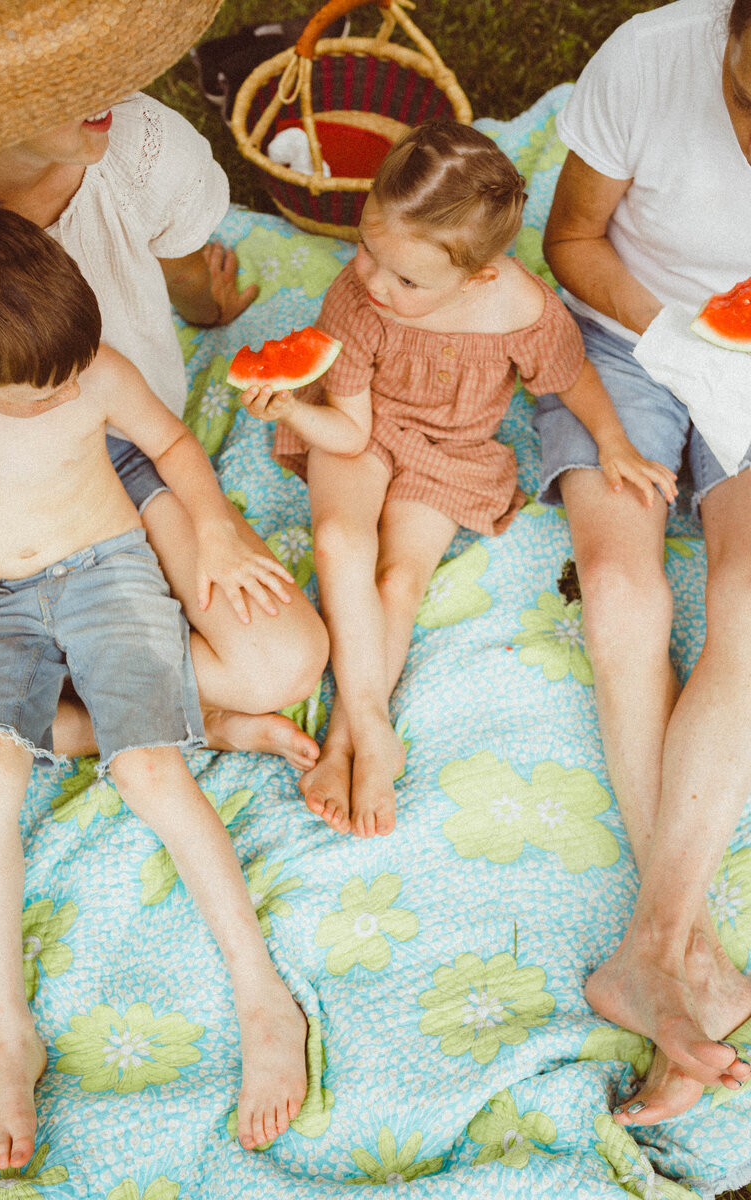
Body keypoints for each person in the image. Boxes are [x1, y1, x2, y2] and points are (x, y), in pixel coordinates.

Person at [0, 202, 309, 1173]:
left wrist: (218, 529)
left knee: (146, 769)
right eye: (35, 392)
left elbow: (174, 449)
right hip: (3, 604)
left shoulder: (93, 373)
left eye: (74, 371)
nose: (65, 394)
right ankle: (9, 1034)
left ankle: (258, 992)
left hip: (108, 573)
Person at [239, 121, 677, 838]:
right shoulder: (357, 304)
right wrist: (290, 405)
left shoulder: (525, 310)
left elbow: (573, 377)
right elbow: (349, 432)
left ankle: (352, 736)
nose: (374, 281)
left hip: (453, 448)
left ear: (480, 275)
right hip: (365, 431)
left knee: (398, 581)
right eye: (367, 249)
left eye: (406, 277)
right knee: (338, 540)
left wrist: (614, 441)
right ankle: (377, 729)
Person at [0, 0, 329, 772]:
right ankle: (191, 719)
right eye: (69, 79)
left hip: (117, 451)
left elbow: (181, 259)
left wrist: (207, 305)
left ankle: (49, 718)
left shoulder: (141, 144)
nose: (111, 90)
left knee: (285, 660)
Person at [535, 0, 751, 1124]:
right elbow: (565, 239)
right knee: (619, 591)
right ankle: (682, 953)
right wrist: (668, 337)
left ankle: (650, 955)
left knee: (747, 599)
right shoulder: (647, 58)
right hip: (622, 342)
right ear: (728, 32)